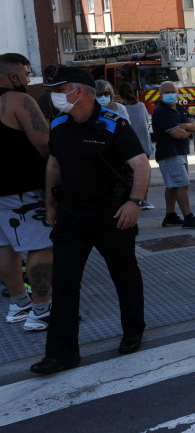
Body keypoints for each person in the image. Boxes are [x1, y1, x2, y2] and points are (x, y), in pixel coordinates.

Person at [31, 67, 151, 375]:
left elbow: (140, 165)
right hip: (72, 214)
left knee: (124, 274)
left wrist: (134, 203)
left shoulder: (113, 124)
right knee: (64, 282)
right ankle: (61, 353)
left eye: (60, 89)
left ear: (80, 91)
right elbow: (54, 165)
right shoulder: (58, 123)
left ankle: (133, 330)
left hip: (111, 213)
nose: (55, 96)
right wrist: (50, 204)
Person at [0, 53, 53, 332]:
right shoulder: (19, 100)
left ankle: (19, 303)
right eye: (25, 73)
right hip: (22, 190)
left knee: (5, 247)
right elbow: (45, 143)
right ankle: (41, 310)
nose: (27, 79)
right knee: (40, 245)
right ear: (12, 77)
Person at [151, 81, 195, 229]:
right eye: (167, 92)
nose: (170, 94)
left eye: (173, 91)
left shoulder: (179, 108)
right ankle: (188, 217)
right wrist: (188, 129)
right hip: (170, 153)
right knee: (182, 184)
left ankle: (170, 216)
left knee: (173, 186)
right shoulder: (161, 111)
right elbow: (176, 133)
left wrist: (185, 126)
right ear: (160, 94)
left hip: (180, 152)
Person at [117, 82, 154, 210]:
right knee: (144, 173)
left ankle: (131, 199)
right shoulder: (141, 105)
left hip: (128, 147)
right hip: (144, 145)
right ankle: (145, 200)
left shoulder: (120, 108)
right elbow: (147, 122)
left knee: (130, 176)